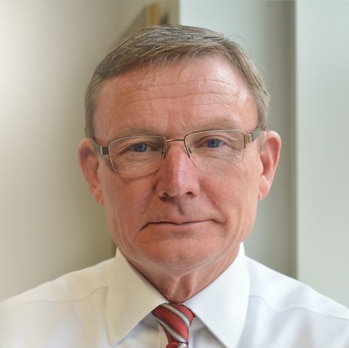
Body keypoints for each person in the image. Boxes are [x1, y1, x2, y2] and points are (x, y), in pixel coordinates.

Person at [0, 24, 348, 348]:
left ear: (265, 166)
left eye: (214, 143)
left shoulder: (333, 336)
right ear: (94, 174)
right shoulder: (14, 332)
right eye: (140, 147)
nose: (177, 184)